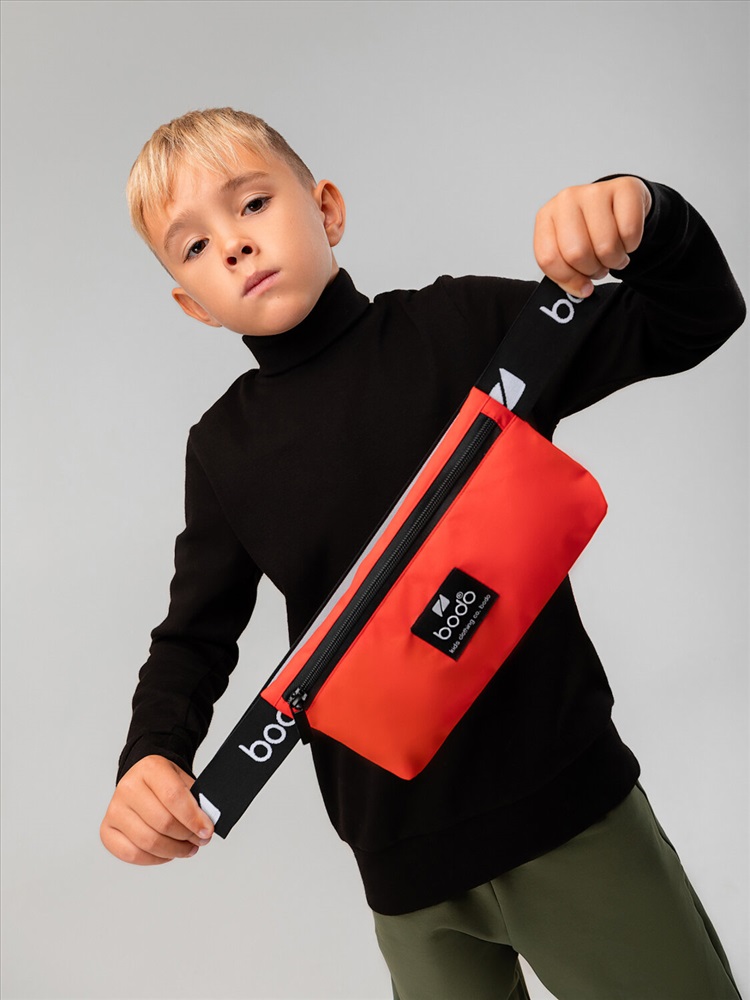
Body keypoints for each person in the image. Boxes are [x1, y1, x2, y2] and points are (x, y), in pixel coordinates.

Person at [100, 107, 745, 1000]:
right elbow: (193, 636)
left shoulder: (461, 326)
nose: (236, 245)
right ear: (191, 303)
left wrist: (644, 210)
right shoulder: (221, 450)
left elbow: (693, 321)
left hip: (574, 817)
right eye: (196, 247)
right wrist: (150, 754)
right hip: (404, 878)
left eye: (251, 204)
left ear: (327, 209)